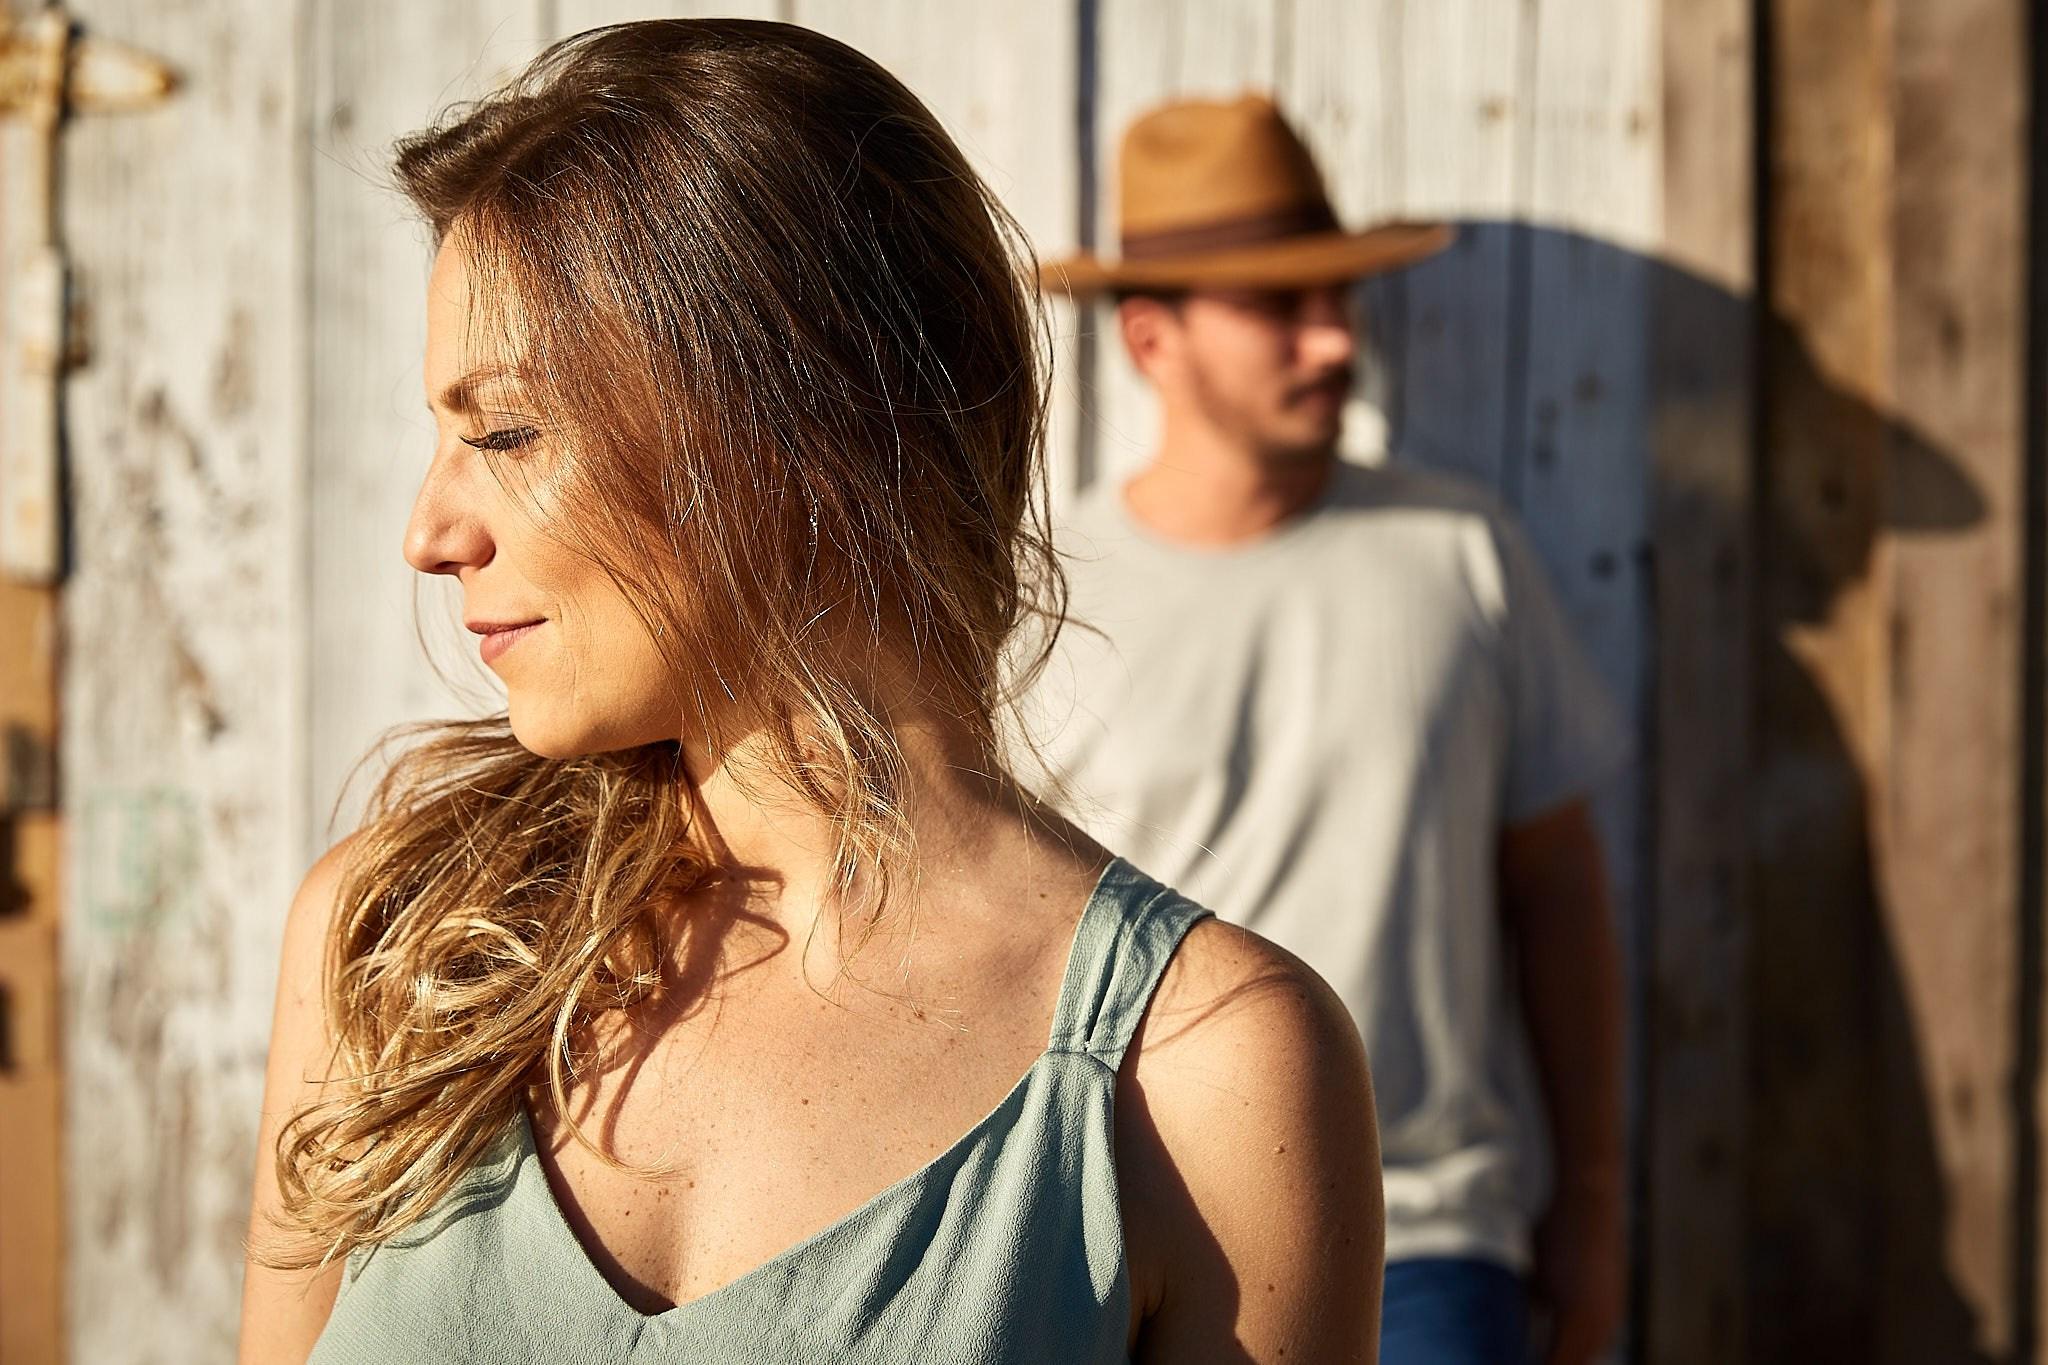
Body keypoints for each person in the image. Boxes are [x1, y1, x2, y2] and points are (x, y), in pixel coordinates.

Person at [235, 25, 1382, 1365]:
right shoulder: (404, 943)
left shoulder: (1204, 1071)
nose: (432, 532)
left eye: (503, 432)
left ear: (786, 425)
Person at [1030, 95, 1630, 1365]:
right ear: (1150, 339)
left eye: (1336, 298)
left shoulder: (1459, 552)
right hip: (1125, 1227)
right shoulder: (1046, 604)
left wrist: (1590, 1200)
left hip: (1425, 1238)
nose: (1331, 341)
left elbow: (1557, 883)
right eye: (1277, 308)